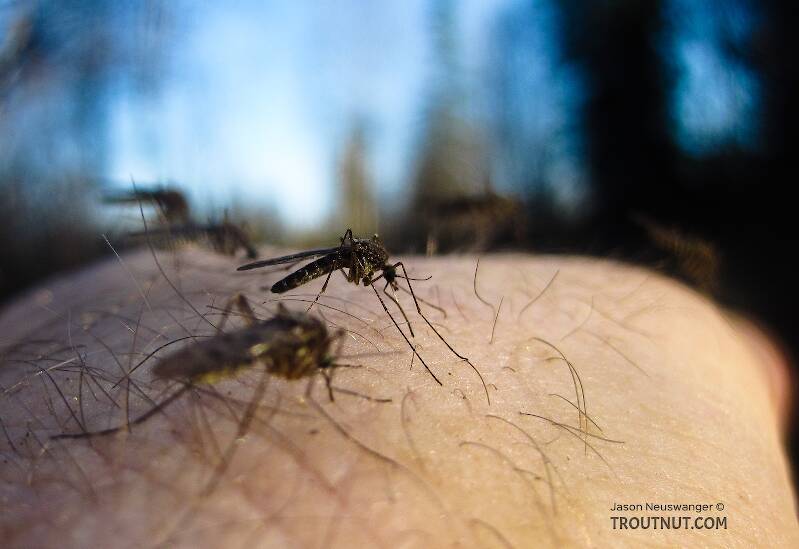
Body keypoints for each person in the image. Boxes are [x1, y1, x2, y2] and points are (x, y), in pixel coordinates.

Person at [0, 248, 796, 547]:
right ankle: (144, 412)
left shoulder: (328, 321)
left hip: (269, 321)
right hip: (246, 338)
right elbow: (291, 327)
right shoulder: (306, 325)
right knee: (236, 372)